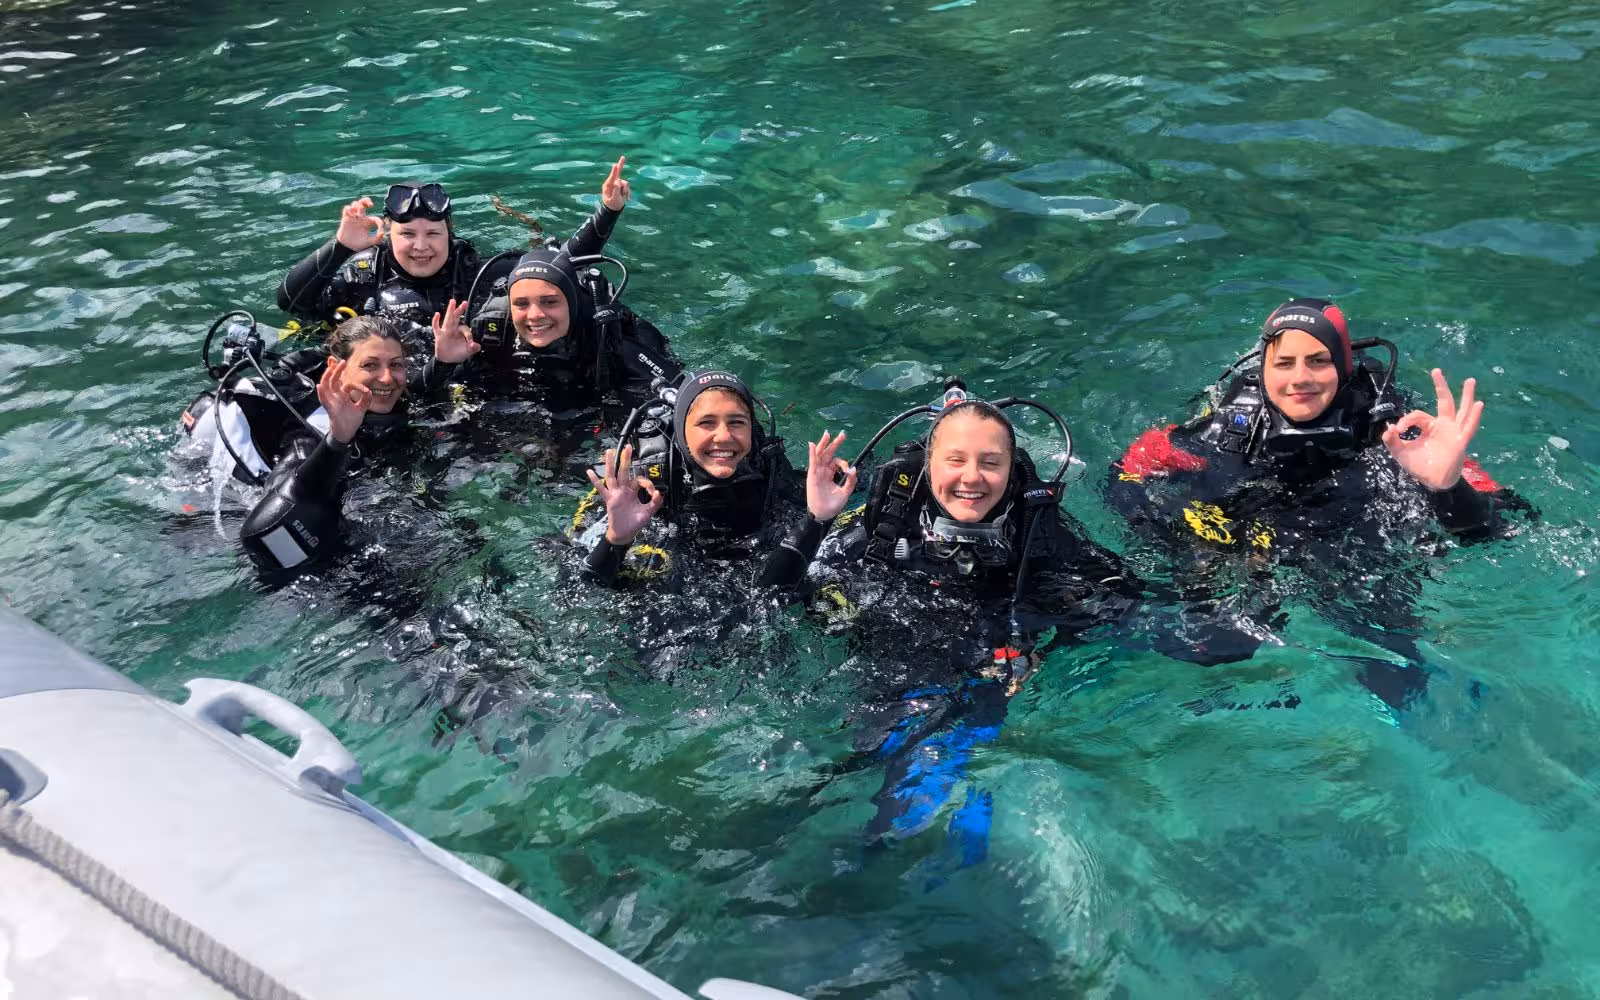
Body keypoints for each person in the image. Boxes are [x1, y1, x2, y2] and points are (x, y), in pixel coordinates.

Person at [758, 380, 1143, 876]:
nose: (972, 478)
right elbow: (773, 595)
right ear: (929, 466)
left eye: (990, 462)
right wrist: (816, 520)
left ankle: (938, 852)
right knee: (881, 763)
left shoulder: (1036, 527)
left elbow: (1123, 596)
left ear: (1012, 469)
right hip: (897, 653)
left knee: (964, 749)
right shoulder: (887, 520)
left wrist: (1043, 643)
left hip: (990, 660)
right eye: (955, 460)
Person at [1106, 297, 1526, 711]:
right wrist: (1183, 542)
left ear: (1344, 367)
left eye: (1318, 361)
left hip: (1357, 546)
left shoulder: (1400, 432)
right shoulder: (1224, 428)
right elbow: (1126, 475)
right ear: (1263, 368)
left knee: (1397, 671)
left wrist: (1446, 484)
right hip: (1252, 540)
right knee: (1208, 650)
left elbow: (1495, 529)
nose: (1299, 378)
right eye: (1284, 363)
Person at [238, 305, 479, 574]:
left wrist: (444, 363)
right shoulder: (307, 432)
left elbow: (416, 393)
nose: (387, 378)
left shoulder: (387, 403)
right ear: (337, 368)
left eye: (396, 365)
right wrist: (338, 439)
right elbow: (265, 530)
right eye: (370, 365)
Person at [275, 159, 633, 328]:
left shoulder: (476, 273)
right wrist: (341, 245)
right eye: (407, 235)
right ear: (388, 235)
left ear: (450, 232)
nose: (421, 246)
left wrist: (608, 210)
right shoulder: (367, 273)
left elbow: (563, 264)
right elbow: (290, 303)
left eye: (433, 234)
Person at [576, 369, 802, 590]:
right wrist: (616, 540)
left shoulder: (767, 463)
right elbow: (576, 586)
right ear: (682, 429)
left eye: (737, 422)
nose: (723, 436)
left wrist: (822, 516)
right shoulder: (632, 484)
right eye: (706, 423)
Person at [461, 245, 679, 419]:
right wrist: (444, 362)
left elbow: (685, 393)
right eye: (522, 304)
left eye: (549, 302)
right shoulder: (493, 335)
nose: (535, 315)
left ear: (571, 305)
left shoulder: (604, 340)